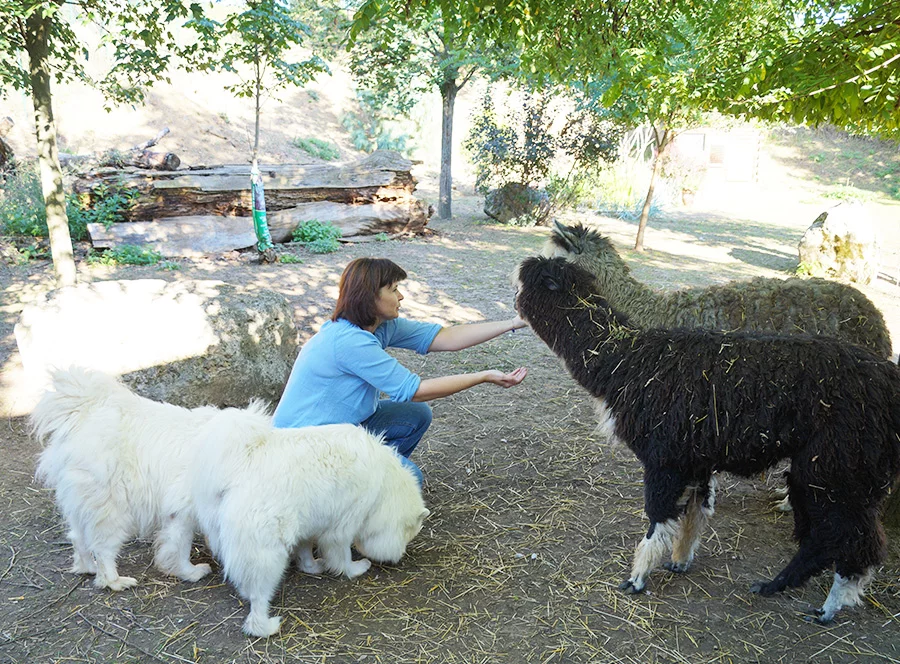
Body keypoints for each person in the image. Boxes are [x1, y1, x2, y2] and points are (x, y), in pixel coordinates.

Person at [273, 257, 528, 485]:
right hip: (304, 446)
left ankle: (364, 482)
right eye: (394, 289)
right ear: (369, 296)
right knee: (407, 481)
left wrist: (512, 323)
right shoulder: (350, 342)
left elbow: (446, 337)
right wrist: (482, 376)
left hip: (341, 429)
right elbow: (416, 390)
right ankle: (347, 494)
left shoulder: (380, 325)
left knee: (413, 416)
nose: (401, 296)